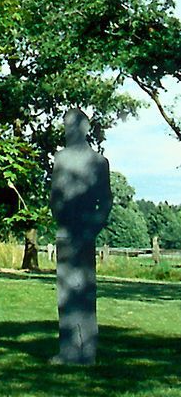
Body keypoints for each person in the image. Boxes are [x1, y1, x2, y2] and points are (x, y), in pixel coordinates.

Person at [49, 107, 113, 365]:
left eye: (73, 125)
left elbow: (106, 200)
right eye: (65, 126)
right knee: (65, 293)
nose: (68, 131)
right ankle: (67, 350)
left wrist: (92, 228)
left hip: (85, 233)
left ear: (85, 128)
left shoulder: (98, 162)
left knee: (83, 291)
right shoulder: (60, 159)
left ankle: (86, 352)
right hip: (66, 232)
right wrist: (62, 221)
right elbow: (55, 195)